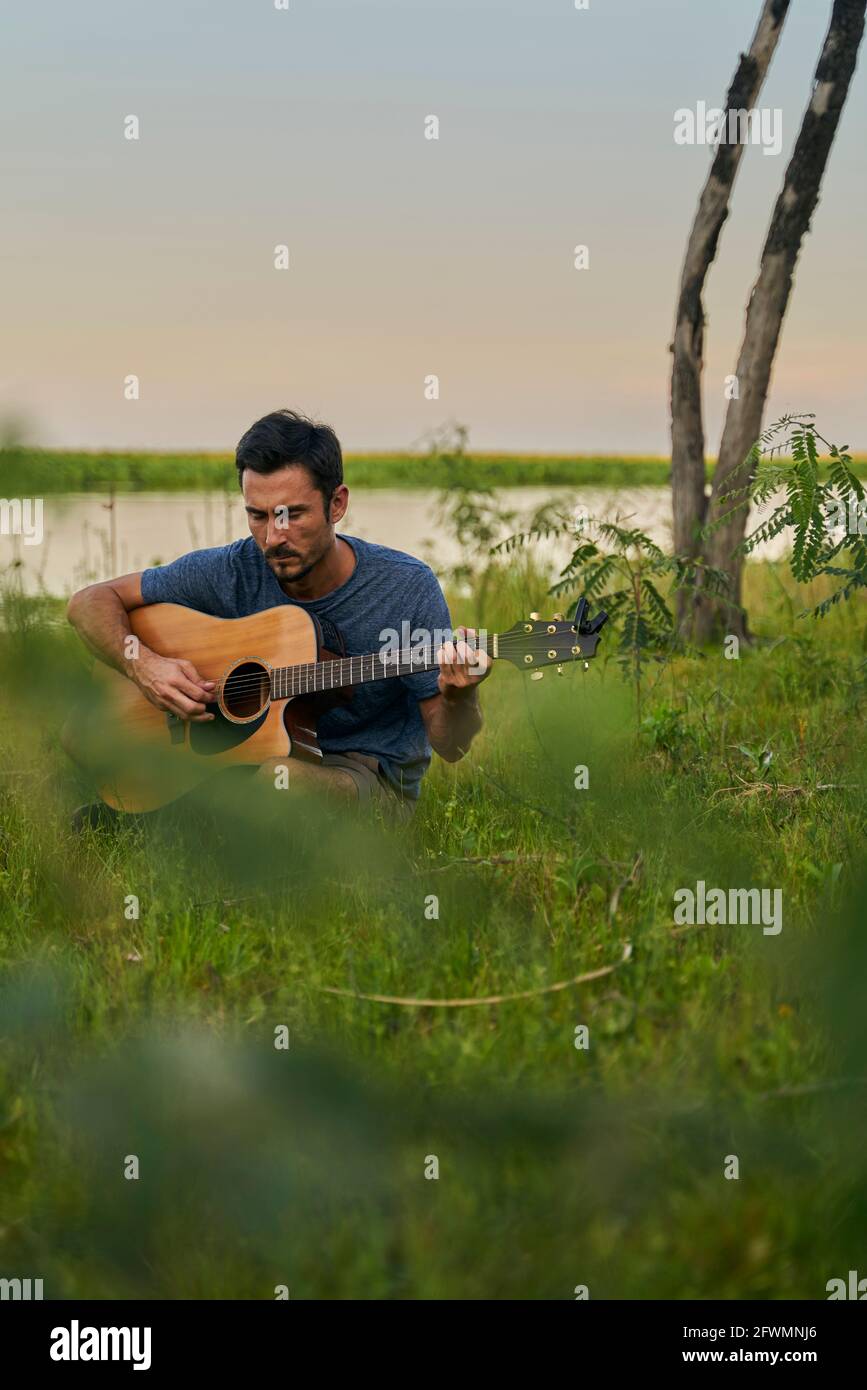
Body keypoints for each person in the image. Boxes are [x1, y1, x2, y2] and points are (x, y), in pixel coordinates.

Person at [66, 409, 490, 820]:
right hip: (251, 759)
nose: (273, 537)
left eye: (293, 514)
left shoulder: (406, 587)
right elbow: (89, 601)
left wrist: (460, 694)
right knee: (79, 735)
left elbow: (451, 746)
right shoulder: (231, 568)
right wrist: (145, 666)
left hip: (364, 775)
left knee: (278, 781)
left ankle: (172, 822)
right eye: (258, 515)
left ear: (336, 504)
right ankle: (175, 813)